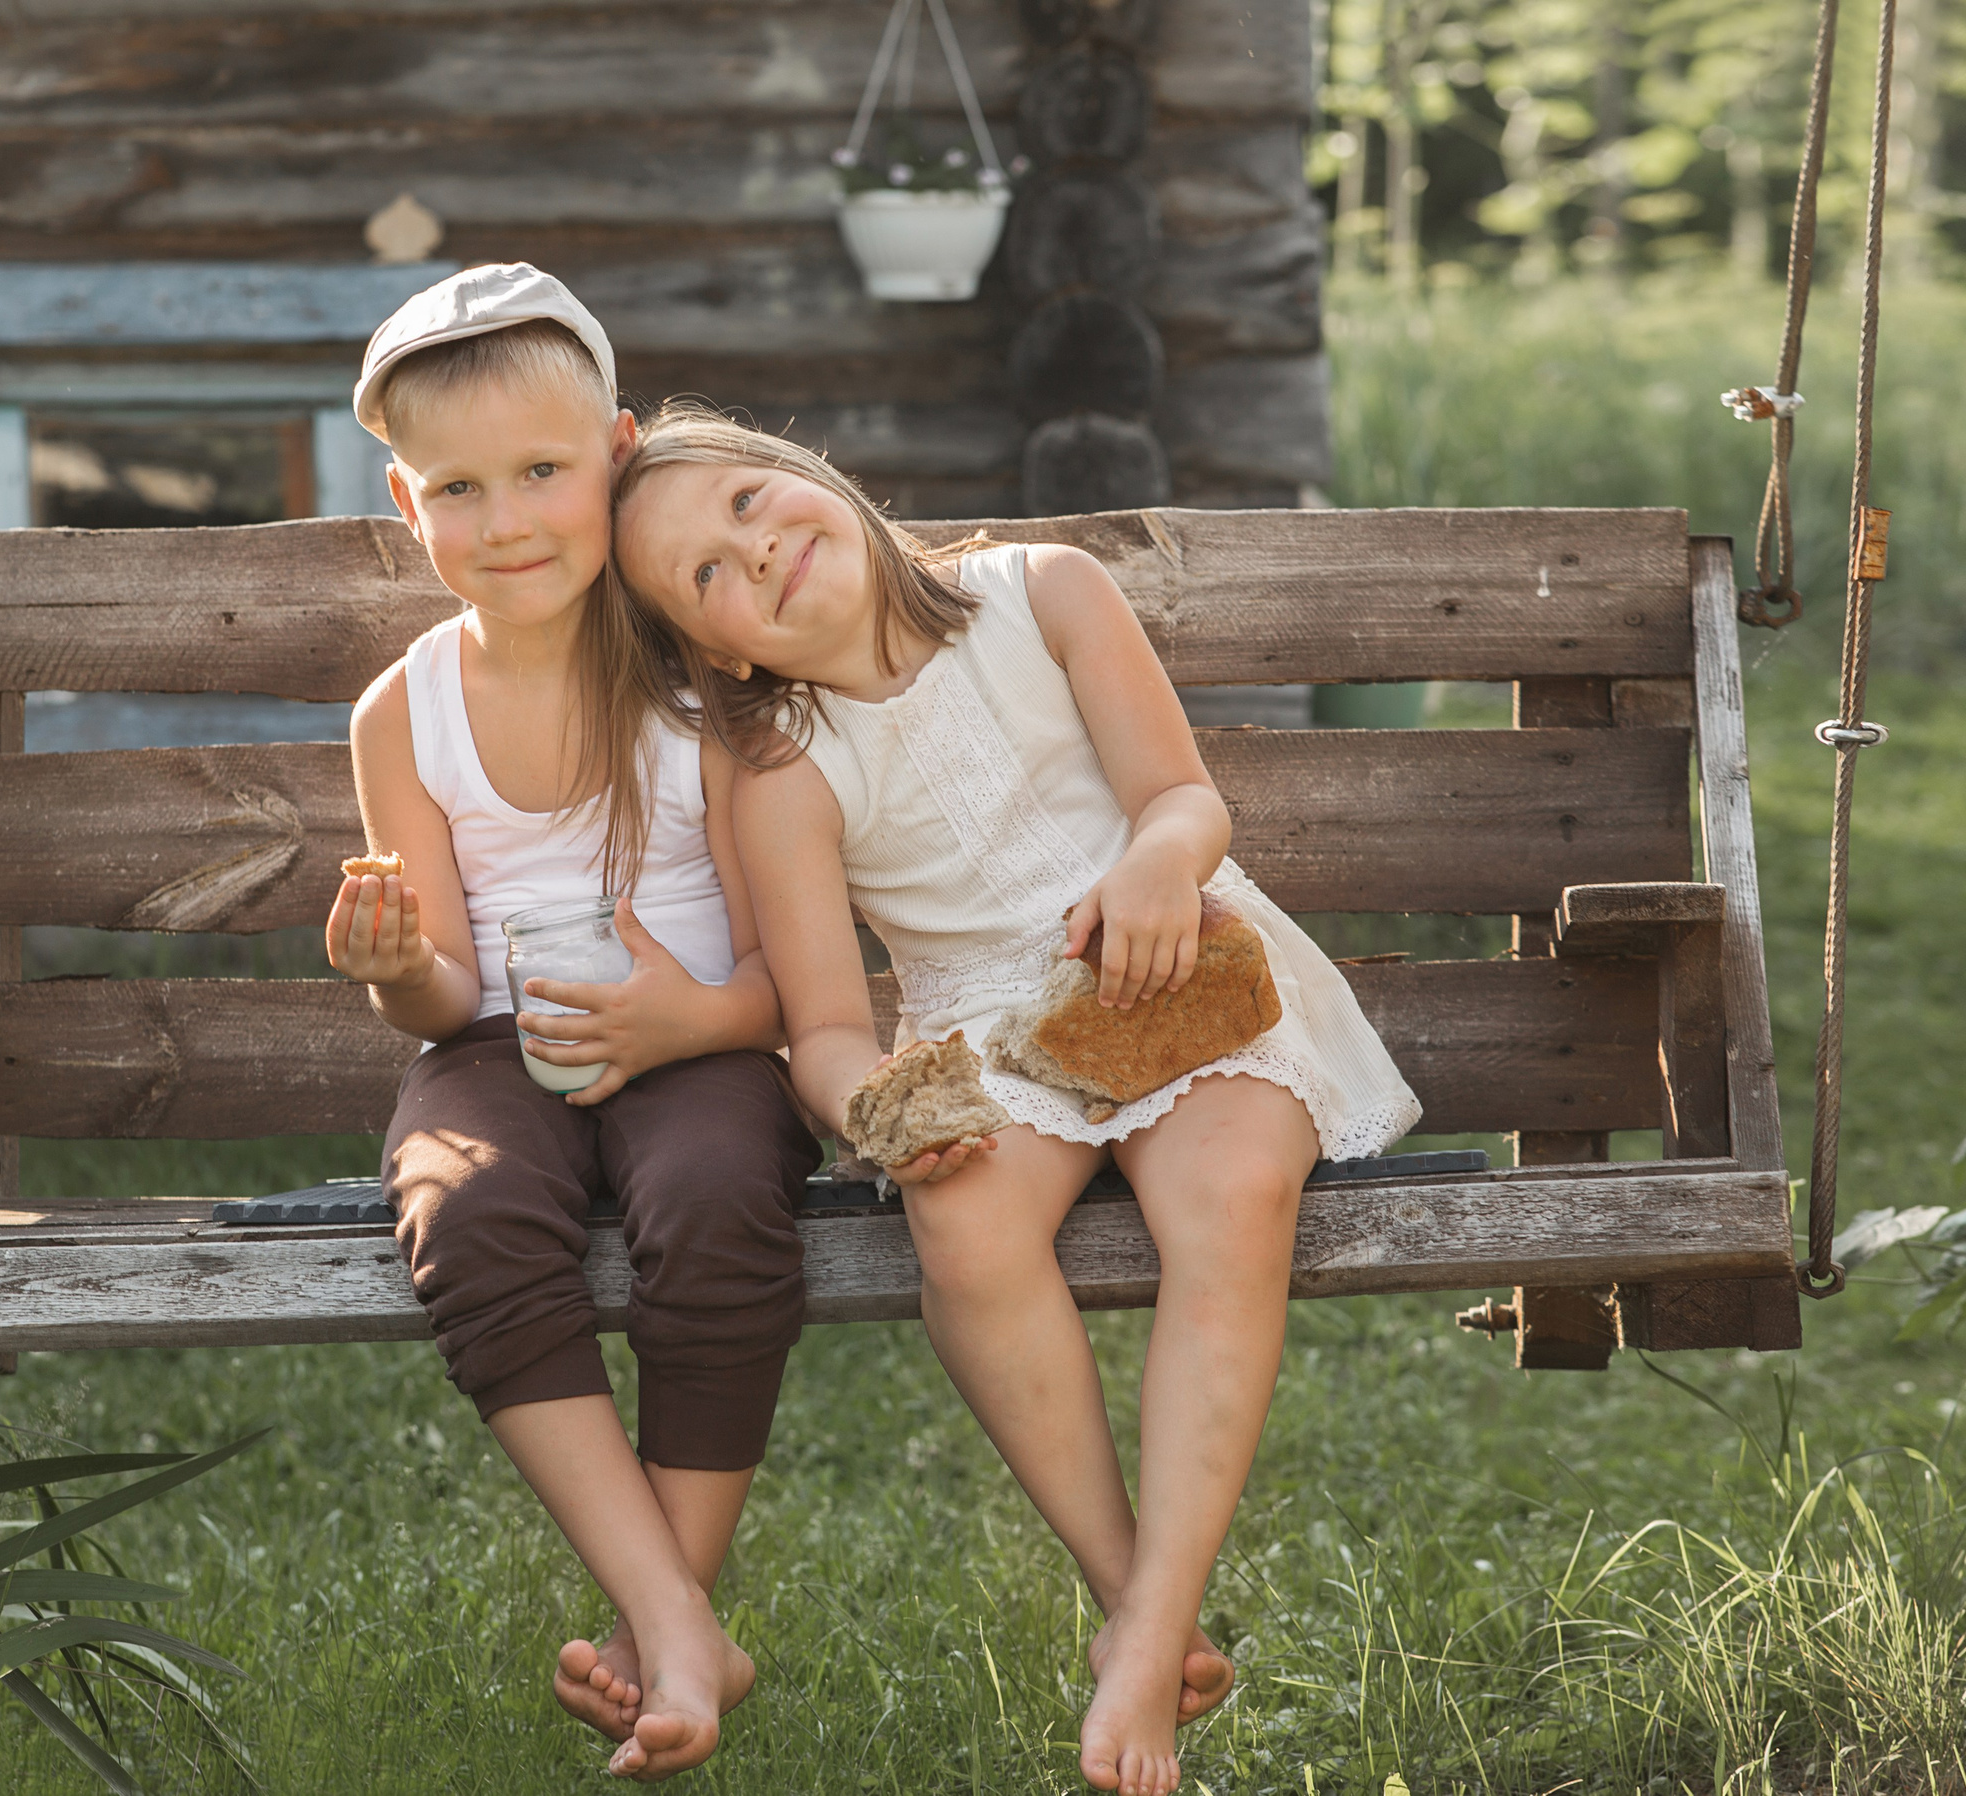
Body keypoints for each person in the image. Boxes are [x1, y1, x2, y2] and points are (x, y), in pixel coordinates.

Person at [609, 405, 1422, 1796]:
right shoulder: (781, 769)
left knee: (1230, 1193)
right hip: (984, 1028)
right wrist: (877, 1105)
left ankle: (1155, 1622)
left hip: (1170, 959)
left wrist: (1163, 863)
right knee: (968, 1234)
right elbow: (817, 1027)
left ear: (813, 478)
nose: (759, 552)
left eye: (751, 502)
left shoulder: (1044, 590)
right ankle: (1134, 1603)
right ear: (720, 653)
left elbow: (1179, 796)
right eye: (709, 577)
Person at [326, 274, 817, 1782]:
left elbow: (792, 981)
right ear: (409, 504)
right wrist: (392, 963)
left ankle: (667, 1625)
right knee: (465, 1213)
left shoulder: (701, 676)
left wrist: (686, 1028)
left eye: (543, 472)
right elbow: (441, 1001)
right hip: (497, 1050)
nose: (510, 519)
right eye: (460, 489)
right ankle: (677, 1621)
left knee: (721, 1198)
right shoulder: (402, 714)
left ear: (614, 454)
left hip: (711, 1035)